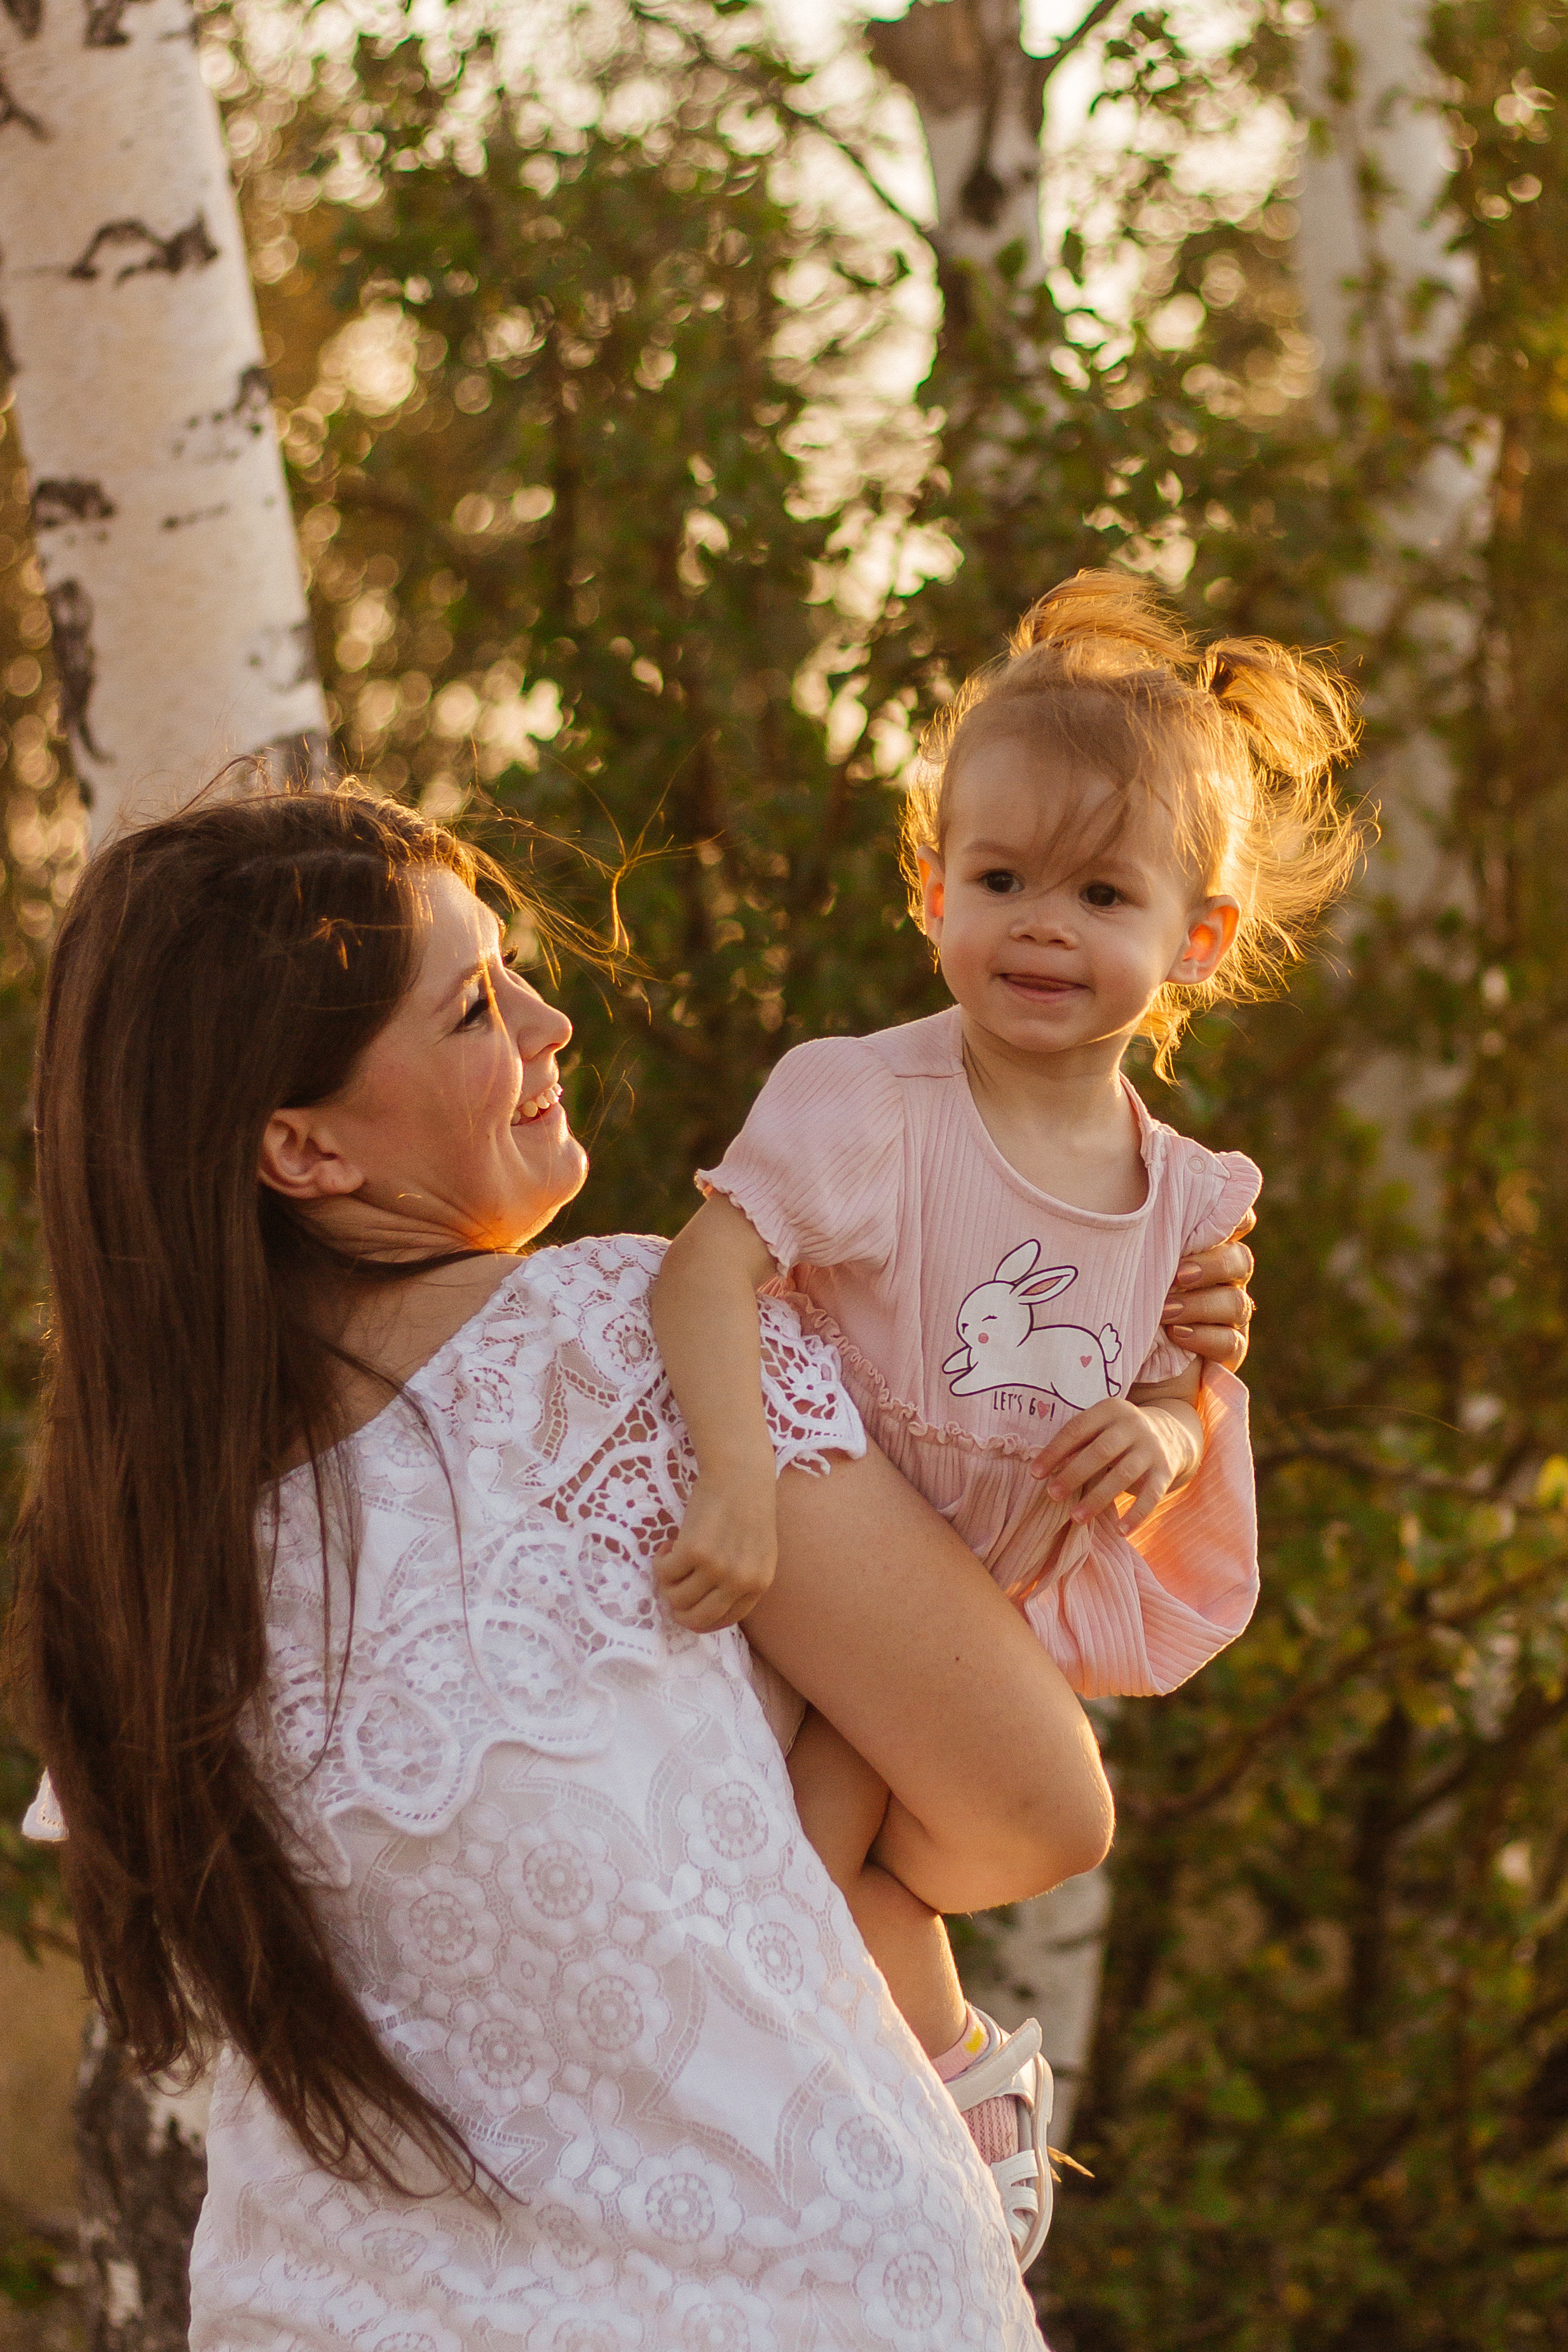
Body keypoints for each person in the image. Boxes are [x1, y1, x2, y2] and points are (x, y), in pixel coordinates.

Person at [12, 785, 1251, 2349]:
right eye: (472, 1006)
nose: (548, 1020)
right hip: (794, 2294)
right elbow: (1035, 1806)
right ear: (300, 1145)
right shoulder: (618, 1343)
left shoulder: (127, 1556)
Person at [650, 571, 1363, 2260]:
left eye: (1098, 891)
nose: (1039, 922)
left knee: (847, 1878)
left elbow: (1175, 1382)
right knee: (794, 1875)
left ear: (1196, 938)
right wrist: (741, 1497)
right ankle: (927, 2116)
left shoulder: (1187, 1187)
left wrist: (1168, 1437)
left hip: (993, 1599)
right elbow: (698, 1277)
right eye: (998, 878)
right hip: (834, 1568)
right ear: (931, 888)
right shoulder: (869, 1102)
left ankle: (939, 2083)